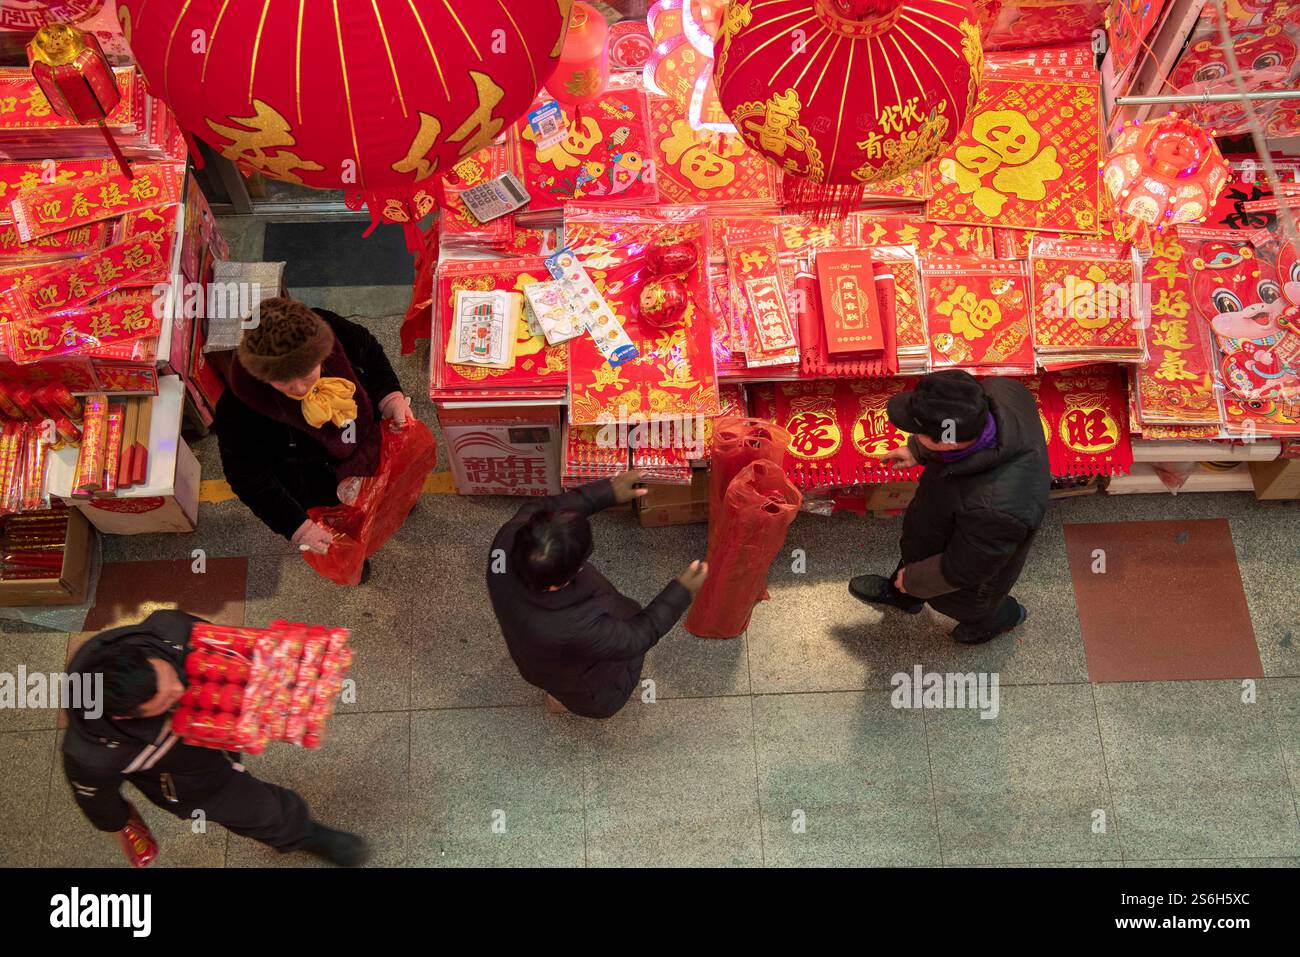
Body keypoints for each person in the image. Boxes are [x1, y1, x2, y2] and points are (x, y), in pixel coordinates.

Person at [62, 610, 367, 867]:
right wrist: (119, 824)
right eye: (167, 698)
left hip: (219, 727)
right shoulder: (93, 755)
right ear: (127, 716)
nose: (180, 691)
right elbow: (99, 803)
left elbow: (236, 653)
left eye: (174, 678)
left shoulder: (168, 629)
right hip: (193, 782)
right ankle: (305, 835)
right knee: (261, 811)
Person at [849, 370, 1050, 644]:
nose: (913, 434)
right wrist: (918, 450)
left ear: (948, 442)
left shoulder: (997, 509)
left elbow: (966, 569)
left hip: (971, 577)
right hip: (939, 527)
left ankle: (1000, 620)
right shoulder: (1001, 391)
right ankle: (903, 596)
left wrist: (916, 580)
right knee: (911, 563)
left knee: (973, 607)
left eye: (918, 432)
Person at [488, 468, 708, 718]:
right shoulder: (576, 626)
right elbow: (636, 638)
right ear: (563, 579)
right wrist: (681, 592)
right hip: (587, 683)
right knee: (600, 693)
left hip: (532, 658)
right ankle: (563, 701)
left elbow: (549, 505)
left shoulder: (508, 538)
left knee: (555, 678)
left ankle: (557, 694)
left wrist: (606, 492)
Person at [214, 297, 413, 572]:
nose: (298, 388)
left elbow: (370, 352)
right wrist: (298, 527)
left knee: (387, 492)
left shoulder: (329, 330)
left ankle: (390, 508)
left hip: (369, 447)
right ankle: (356, 557)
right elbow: (247, 477)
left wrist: (390, 398)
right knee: (345, 538)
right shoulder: (238, 407)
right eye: (283, 381)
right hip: (316, 486)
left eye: (306, 374)